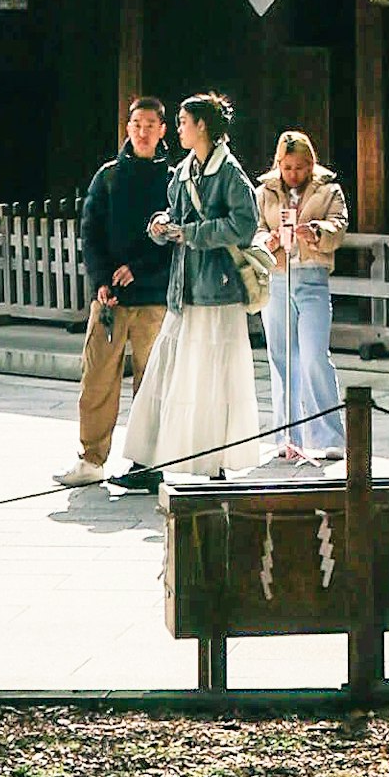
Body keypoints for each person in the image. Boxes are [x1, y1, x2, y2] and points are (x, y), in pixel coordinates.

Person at [110, 89, 263, 493]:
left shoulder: (229, 172)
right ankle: (146, 462)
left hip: (218, 289)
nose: (178, 129)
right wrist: (161, 226)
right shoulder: (183, 171)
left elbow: (245, 224)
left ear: (203, 127)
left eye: (183, 122)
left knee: (214, 375)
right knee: (165, 370)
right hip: (185, 286)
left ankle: (216, 465)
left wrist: (192, 233)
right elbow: (174, 216)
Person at [72, 91, 176, 478]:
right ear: (127, 129)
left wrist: (141, 269)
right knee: (97, 377)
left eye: (151, 126)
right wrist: (100, 278)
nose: (143, 132)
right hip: (111, 297)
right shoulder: (109, 175)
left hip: (153, 297)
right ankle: (90, 458)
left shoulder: (173, 179)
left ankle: (148, 460)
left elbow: (176, 240)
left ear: (163, 130)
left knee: (152, 383)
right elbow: (90, 229)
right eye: (136, 125)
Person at [256, 126, 349, 461]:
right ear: (279, 164)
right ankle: (287, 437)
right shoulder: (265, 191)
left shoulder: (328, 190)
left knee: (313, 356)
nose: (294, 174)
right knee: (282, 359)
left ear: (311, 164)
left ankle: (329, 435)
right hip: (278, 277)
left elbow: (338, 226)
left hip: (311, 277)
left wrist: (316, 232)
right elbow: (255, 229)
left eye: (301, 167)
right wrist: (267, 240)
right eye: (288, 167)